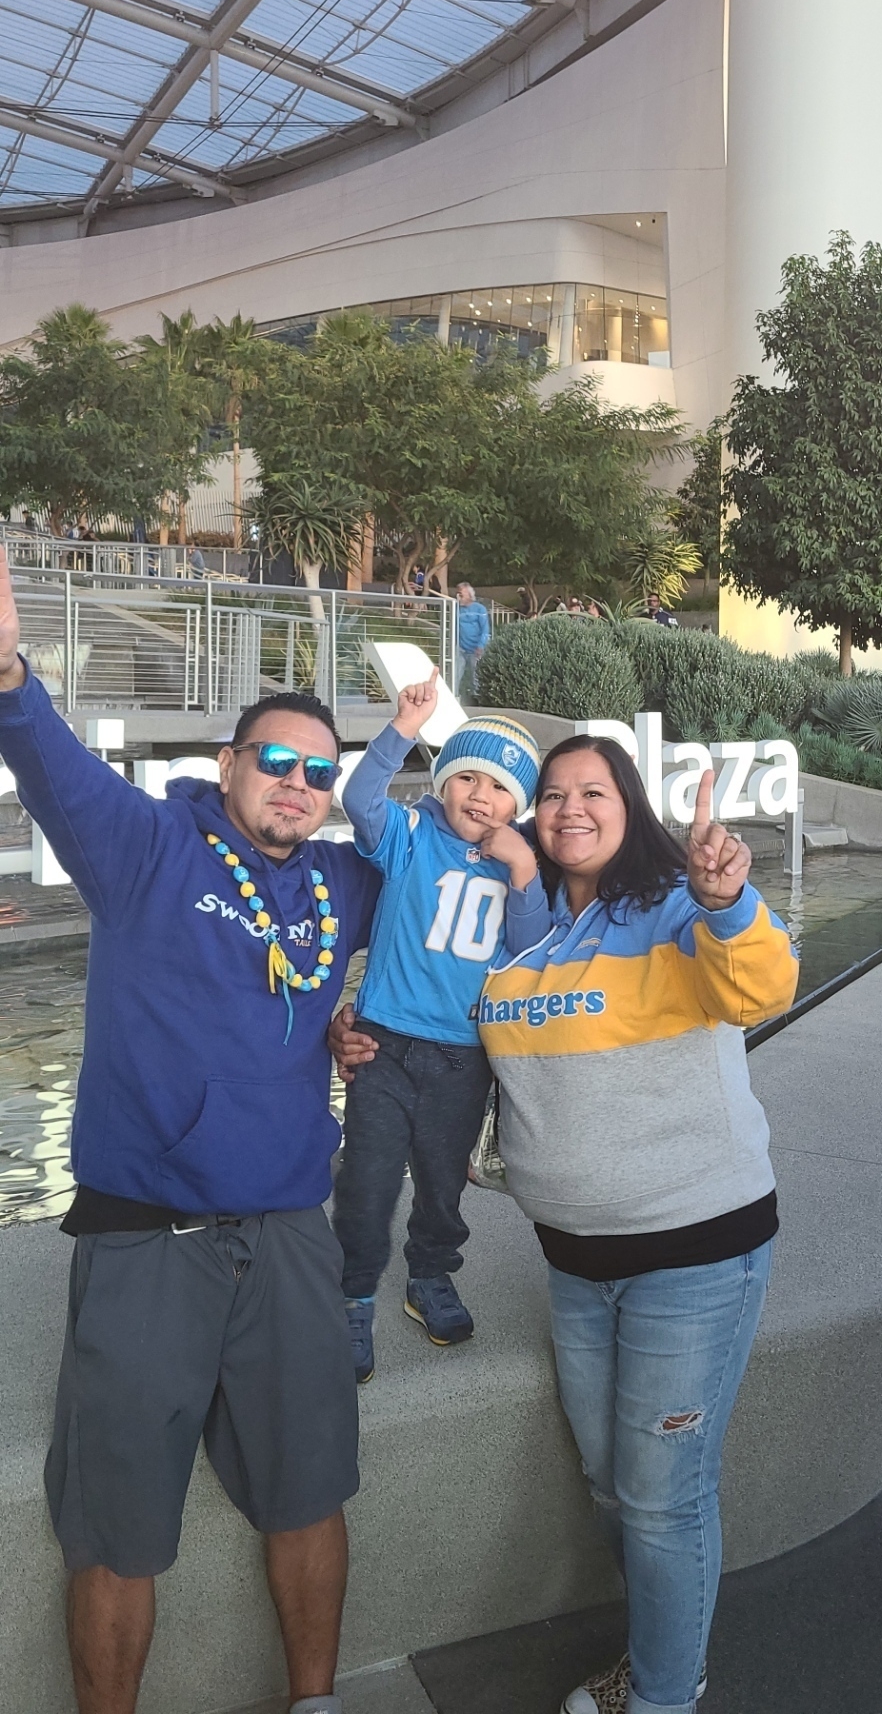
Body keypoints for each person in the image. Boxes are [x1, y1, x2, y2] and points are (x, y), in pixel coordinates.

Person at [0, 547, 381, 1714]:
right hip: (146, 1237)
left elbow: (469, 900)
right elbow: (52, 765)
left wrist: (357, 1020)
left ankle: (314, 1701)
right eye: (274, 760)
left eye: (318, 770)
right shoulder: (146, 850)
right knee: (116, 1528)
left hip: (290, 1232)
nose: (295, 783)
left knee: (311, 1493)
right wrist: (10, 677)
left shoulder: (343, 884)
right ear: (227, 765)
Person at [480, 736, 797, 1714]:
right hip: (574, 1263)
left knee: (662, 1499)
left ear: (630, 806)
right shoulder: (515, 924)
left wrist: (724, 899)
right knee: (613, 1485)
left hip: (693, 1254)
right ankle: (663, 1655)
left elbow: (762, 988)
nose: (570, 808)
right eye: (552, 793)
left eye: (594, 791)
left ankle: (662, 1695)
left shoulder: (674, 909)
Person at [332, 678, 549, 1382]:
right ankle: (353, 1294)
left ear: (519, 805)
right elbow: (359, 800)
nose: (480, 796)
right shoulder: (411, 836)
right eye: (467, 778)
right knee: (367, 1181)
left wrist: (523, 872)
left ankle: (429, 1275)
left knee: (441, 1185)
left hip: (463, 1058)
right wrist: (402, 728)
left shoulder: (521, 866)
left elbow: (530, 953)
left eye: (500, 788)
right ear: (443, 781)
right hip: (384, 1046)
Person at [456, 582, 491, 698]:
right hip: (461, 648)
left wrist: (481, 645)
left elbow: (485, 629)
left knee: (476, 676)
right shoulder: (457, 609)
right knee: (455, 673)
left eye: (461, 593)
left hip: (476, 649)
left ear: (469, 594)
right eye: (458, 593)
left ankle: (477, 698)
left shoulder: (480, 609)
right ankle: (453, 695)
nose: (458, 596)